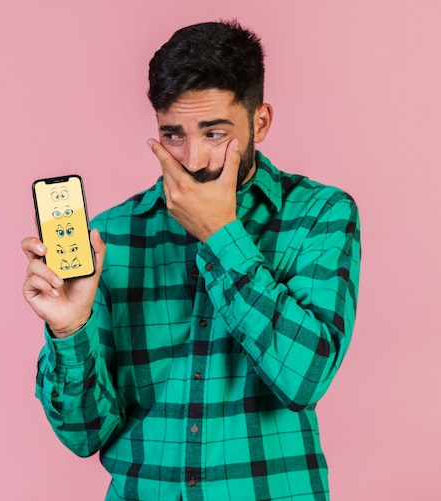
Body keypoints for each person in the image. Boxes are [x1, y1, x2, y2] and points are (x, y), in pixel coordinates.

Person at [22, 19, 361, 501]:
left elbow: (304, 378)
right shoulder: (114, 235)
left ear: (259, 122)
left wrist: (221, 234)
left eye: (214, 133)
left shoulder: (320, 214)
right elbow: (84, 436)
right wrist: (69, 331)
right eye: (173, 135)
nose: (194, 158)